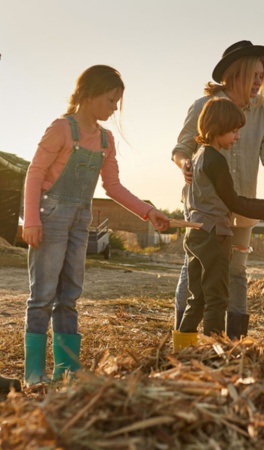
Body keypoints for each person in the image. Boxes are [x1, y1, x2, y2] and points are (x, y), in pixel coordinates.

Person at [22, 65, 169, 386]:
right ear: (89, 94)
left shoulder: (105, 139)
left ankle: (67, 370)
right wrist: (31, 219)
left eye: (117, 102)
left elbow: (113, 187)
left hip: (80, 220)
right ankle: (33, 373)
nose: (114, 108)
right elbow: (34, 174)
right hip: (50, 217)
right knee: (43, 294)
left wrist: (148, 211)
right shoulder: (61, 129)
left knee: (70, 294)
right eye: (111, 99)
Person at [171, 40, 264, 339]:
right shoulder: (204, 106)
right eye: (253, 74)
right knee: (197, 273)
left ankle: (233, 342)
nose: (258, 82)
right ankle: (183, 338)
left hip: (242, 204)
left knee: (236, 270)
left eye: (261, 75)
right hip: (206, 208)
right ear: (233, 74)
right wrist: (185, 163)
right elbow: (181, 147)